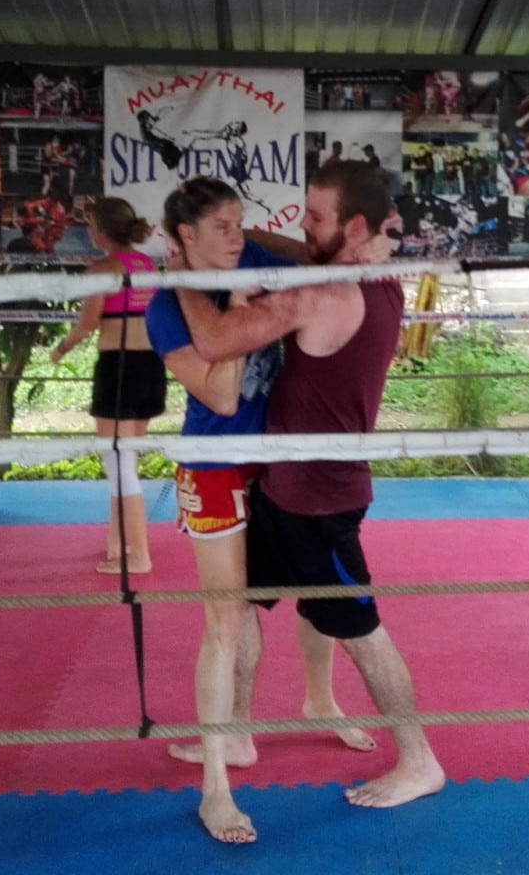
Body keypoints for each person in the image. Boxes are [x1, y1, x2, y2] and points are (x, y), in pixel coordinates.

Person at [176, 161, 447, 816]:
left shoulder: (321, 297)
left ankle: (420, 759)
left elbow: (213, 343)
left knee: (363, 631)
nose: (302, 225)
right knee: (237, 606)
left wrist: (176, 274)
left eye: (316, 216)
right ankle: (236, 732)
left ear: (354, 227)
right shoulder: (379, 275)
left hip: (319, 503)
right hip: (283, 490)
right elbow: (304, 248)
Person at [145, 177, 375, 845]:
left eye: (238, 221)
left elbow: (307, 255)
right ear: (185, 237)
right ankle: (217, 782)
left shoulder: (250, 258)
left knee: (314, 586)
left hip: (277, 461)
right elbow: (217, 398)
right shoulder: (167, 304)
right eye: (220, 226)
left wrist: (369, 238)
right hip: (215, 466)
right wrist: (239, 315)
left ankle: (318, 699)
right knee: (226, 620)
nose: (236, 234)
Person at [50, 198, 167, 574]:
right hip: (150, 367)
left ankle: (139, 555)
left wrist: (61, 348)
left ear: (100, 230)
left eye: (89, 225)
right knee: (124, 461)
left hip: (120, 368)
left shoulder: (101, 269)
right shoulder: (145, 264)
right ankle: (118, 545)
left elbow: (86, 325)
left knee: (119, 465)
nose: (88, 232)